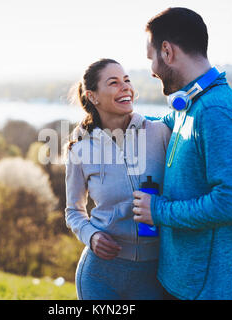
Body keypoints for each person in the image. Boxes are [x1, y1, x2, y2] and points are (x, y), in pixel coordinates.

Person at [133, 7, 232, 300]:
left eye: (151, 57)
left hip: (208, 290)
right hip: (184, 283)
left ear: (167, 51)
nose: (151, 69)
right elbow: (162, 125)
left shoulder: (215, 111)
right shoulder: (191, 105)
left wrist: (158, 210)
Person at [64, 58, 173, 300]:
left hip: (154, 273)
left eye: (127, 80)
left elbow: (190, 177)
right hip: (100, 274)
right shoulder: (79, 148)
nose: (125, 87)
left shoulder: (159, 133)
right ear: (93, 97)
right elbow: (73, 211)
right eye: (113, 82)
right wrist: (91, 236)